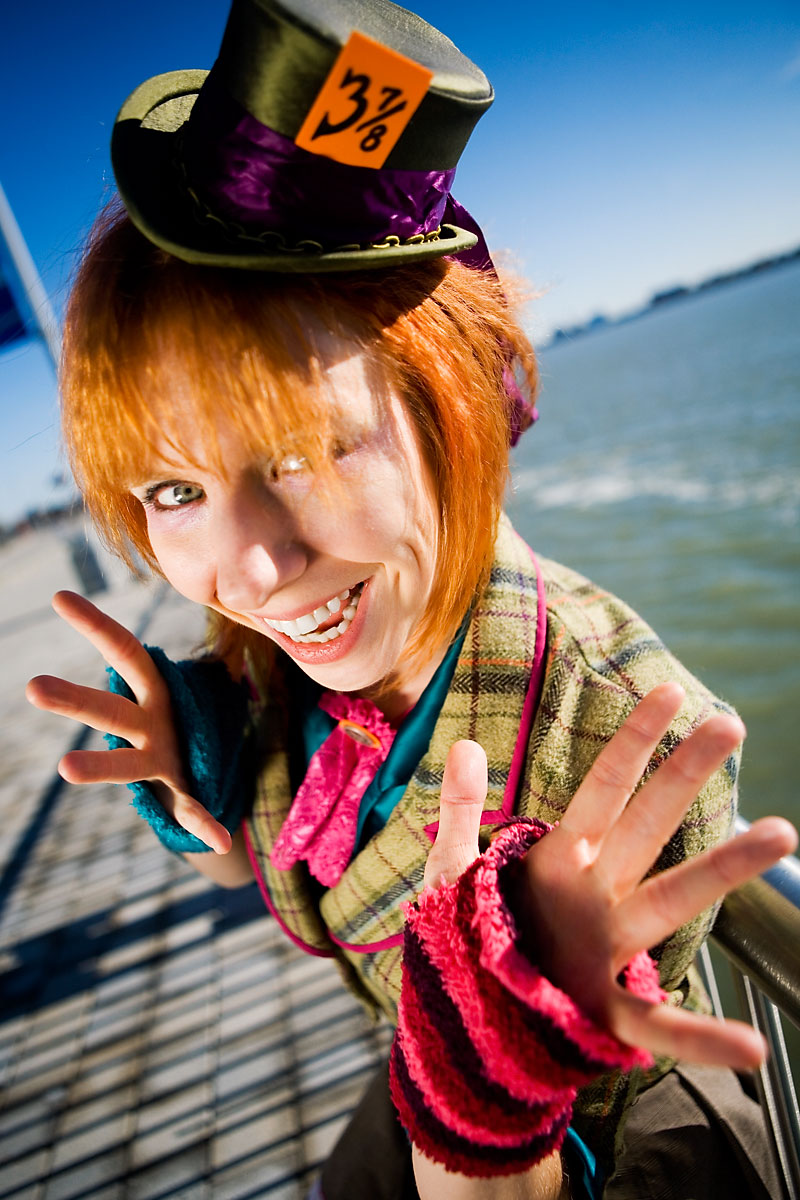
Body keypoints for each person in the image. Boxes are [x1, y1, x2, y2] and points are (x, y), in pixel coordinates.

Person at [26, 1, 796, 1197]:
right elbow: (258, 870)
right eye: (174, 490)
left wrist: (499, 1055)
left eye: (303, 455)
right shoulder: (281, 661)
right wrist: (204, 769)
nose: (252, 570)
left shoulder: (614, 744)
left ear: (455, 412)